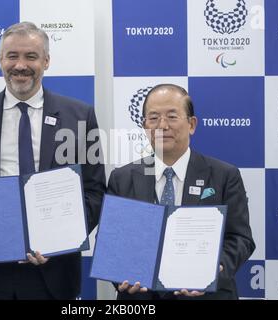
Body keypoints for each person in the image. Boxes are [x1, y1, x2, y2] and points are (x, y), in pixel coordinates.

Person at [0, 22, 106, 300]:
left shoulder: (79, 117)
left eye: (31, 56)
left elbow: (95, 192)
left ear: (46, 61)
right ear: (0, 60)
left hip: (53, 274)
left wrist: (60, 239)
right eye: (12, 56)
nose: (20, 65)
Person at [107, 84, 255, 300]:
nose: (162, 125)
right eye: (153, 117)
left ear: (192, 124)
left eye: (172, 116)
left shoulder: (225, 175)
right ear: (144, 125)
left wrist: (215, 270)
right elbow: (113, 243)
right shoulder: (122, 178)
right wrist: (120, 276)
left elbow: (240, 239)